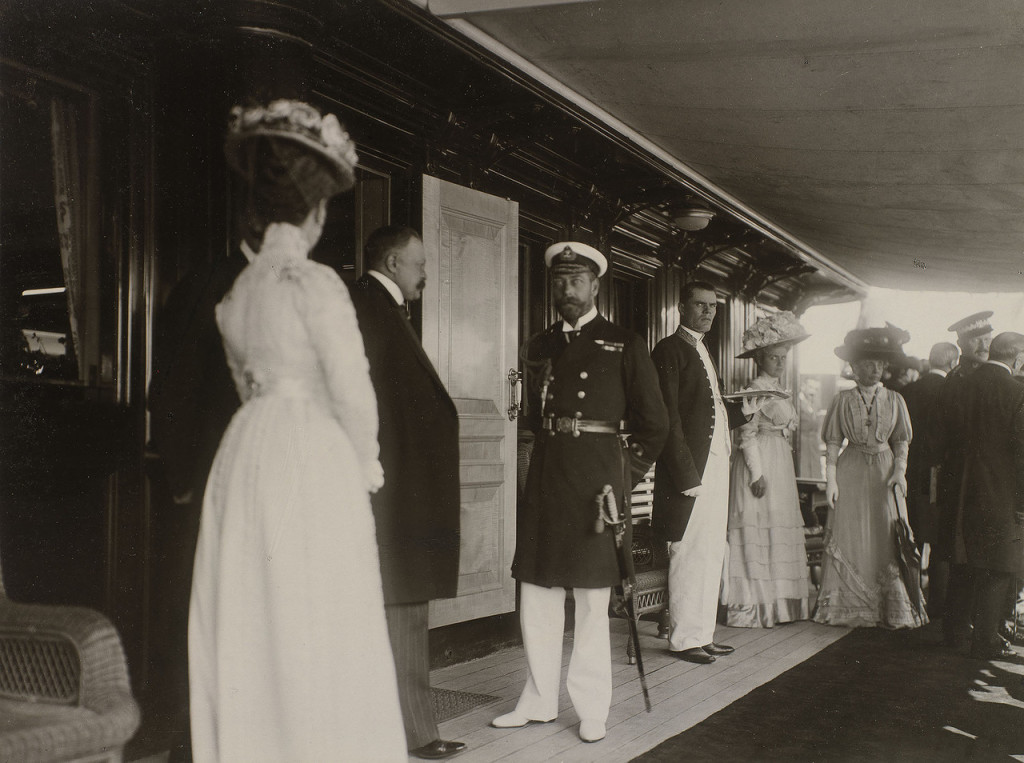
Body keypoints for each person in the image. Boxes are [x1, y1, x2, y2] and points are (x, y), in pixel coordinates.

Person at [187, 99, 406, 762]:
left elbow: (241, 378)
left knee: (253, 609)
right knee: (318, 609)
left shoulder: (237, 292)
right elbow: (352, 388)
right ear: (315, 212)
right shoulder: (316, 285)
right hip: (310, 450)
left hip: (247, 449)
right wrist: (365, 464)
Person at [492, 241, 667, 743]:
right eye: (559, 281)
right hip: (548, 480)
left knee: (592, 601)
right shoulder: (539, 345)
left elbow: (654, 426)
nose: (566, 289)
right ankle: (538, 700)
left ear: (596, 286)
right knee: (537, 592)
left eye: (576, 280)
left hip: (598, 485)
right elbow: (528, 420)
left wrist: (622, 477)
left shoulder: (624, 343)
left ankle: (592, 708)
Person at [348, 226, 465, 760]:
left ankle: (401, 728)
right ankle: (416, 733)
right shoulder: (370, 309)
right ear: (394, 262)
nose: (425, 275)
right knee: (403, 607)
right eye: (419, 265)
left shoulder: (374, 307)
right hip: (392, 492)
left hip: (395, 488)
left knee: (398, 606)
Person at [651, 281, 749, 664]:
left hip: (716, 462)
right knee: (689, 551)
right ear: (681, 306)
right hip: (692, 470)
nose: (708, 312)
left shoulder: (702, 348)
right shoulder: (669, 349)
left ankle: (702, 634)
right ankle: (684, 639)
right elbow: (668, 418)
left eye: (713, 307)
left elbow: (710, 412)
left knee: (710, 551)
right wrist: (686, 475)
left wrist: (749, 411)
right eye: (700, 305)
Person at [812, 326, 927, 629]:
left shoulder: (896, 400)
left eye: (879, 364)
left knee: (885, 533)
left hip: (884, 472)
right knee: (850, 533)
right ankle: (845, 605)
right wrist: (831, 479)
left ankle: (888, 606)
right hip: (850, 471)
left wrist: (900, 472)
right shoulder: (842, 399)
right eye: (867, 364)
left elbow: (902, 440)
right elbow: (834, 442)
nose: (874, 369)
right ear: (854, 367)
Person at [722, 311, 812, 628]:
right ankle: (753, 604)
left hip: (781, 460)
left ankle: (780, 603)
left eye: (782, 358)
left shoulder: (780, 388)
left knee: (778, 526)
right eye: (774, 358)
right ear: (761, 358)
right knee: (759, 527)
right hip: (760, 460)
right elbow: (745, 435)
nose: (779, 363)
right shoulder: (756, 388)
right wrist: (757, 473)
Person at [957, 332, 1024, 659]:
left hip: (963, 488)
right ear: (1017, 356)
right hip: (1002, 490)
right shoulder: (1017, 390)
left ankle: (962, 630)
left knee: (971, 560)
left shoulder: (964, 383)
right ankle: (986, 639)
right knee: (1002, 565)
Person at [935, 311, 995, 649]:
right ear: (961, 344)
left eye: (988, 338)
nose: (984, 344)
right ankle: (957, 627)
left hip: (978, 475)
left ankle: (970, 623)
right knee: (961, 552)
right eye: (976, 339)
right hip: (962, 476)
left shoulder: (984, 376)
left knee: (978, 550)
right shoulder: (958, 380)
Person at [899, 341, 959, 595]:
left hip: (909, 470)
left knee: (911, 531)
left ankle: (908, 594)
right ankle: (937, 597)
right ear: (952, 362)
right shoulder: (952, 390)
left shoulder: (908, 390)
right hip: (939, 474)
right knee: (939, 535)